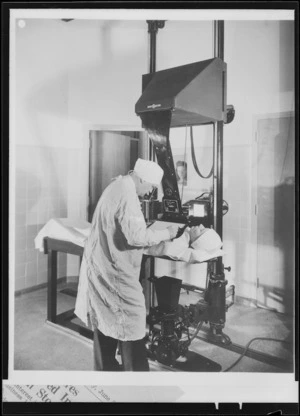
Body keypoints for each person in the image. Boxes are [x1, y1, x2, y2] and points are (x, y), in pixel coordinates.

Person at [74, 158, 179, 372]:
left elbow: (124, 229)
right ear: (140, 178)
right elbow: (137, 236)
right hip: (114, 271)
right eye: (150, 186)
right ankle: (136, 377)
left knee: (106, 318)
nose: (149, 192)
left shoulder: (117, 185)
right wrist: (166, 233)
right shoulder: (128, 194)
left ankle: (106, 373)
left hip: (101, 266)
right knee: (132, 318)